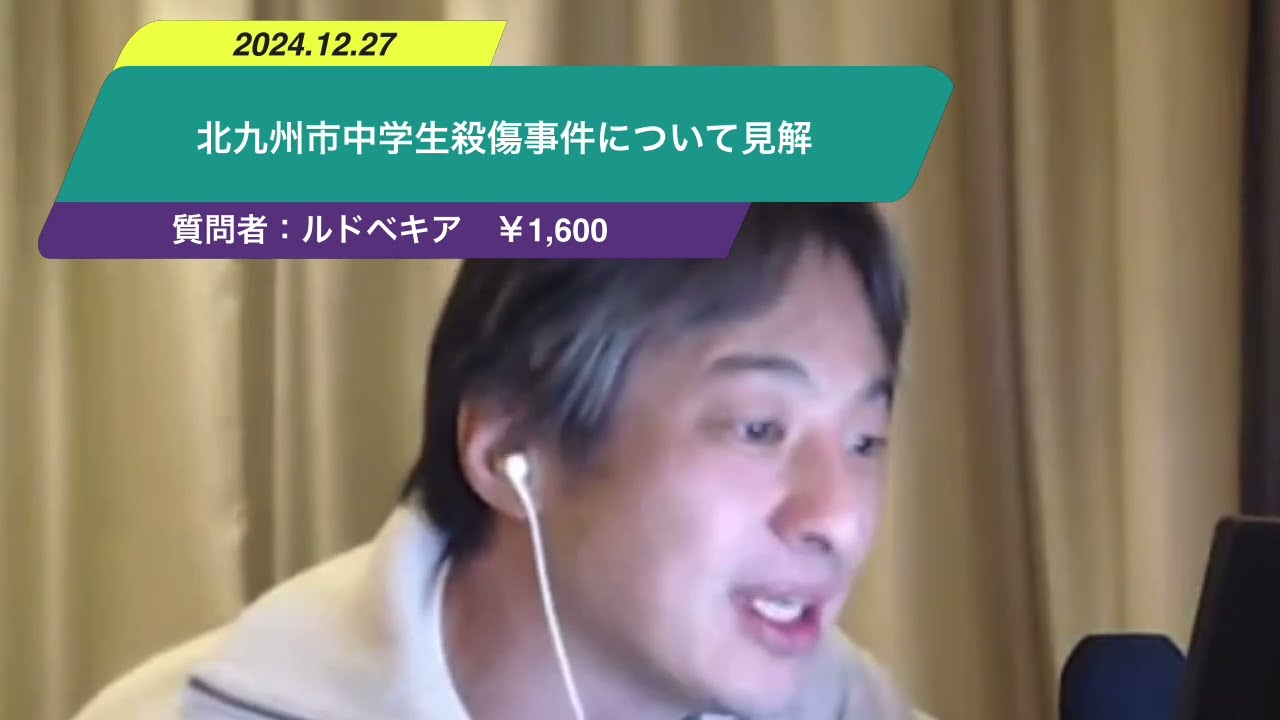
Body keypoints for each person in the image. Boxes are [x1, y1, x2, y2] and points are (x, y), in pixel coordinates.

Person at [73, 203, 931, 719]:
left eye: (865, 441)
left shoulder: (845, 704)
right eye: (758, 428)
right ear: (511, 451)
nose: (840, 518)